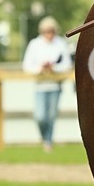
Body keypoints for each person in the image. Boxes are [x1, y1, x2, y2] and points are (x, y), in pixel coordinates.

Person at [22, 16, 73, 151]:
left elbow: (67, 64)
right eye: (46, 31)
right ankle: (45, 138)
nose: (49, 34)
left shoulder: (61, 43)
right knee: (40, 116)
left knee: (51, 116)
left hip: (55, 85)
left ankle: (48, 142)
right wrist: (40, 68)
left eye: (51, 31)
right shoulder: (34, 44)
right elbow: (27, 65)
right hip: (40, 85)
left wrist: (53, 68)